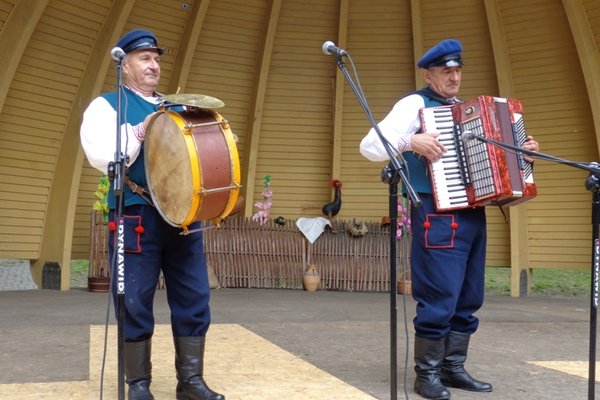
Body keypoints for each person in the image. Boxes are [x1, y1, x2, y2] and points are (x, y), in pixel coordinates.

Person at [359, 39, 539, 400]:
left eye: (458, 70)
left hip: (472, 215)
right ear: (429, 74)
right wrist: (411, 141)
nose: (454, 76)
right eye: (446, 71)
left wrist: (522, 155)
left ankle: (452, 368)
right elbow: (370, 146)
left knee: (469, 296)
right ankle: (426, 376)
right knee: (440, 295)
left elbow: (495, 164)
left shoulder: (469, 111)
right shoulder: (415, 103)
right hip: (436, 214)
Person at [80, 29, 224, 400]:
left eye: (157, 59)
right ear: (123, 64)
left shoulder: (176, 107)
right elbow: (102, 156)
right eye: (144, 58)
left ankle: (190, 382)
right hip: (135, 215)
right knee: (133, 298)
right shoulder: (107, 105)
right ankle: (138, 385)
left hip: (183, 217)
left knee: (194, 296)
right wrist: (141, 129)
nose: (154, 65)